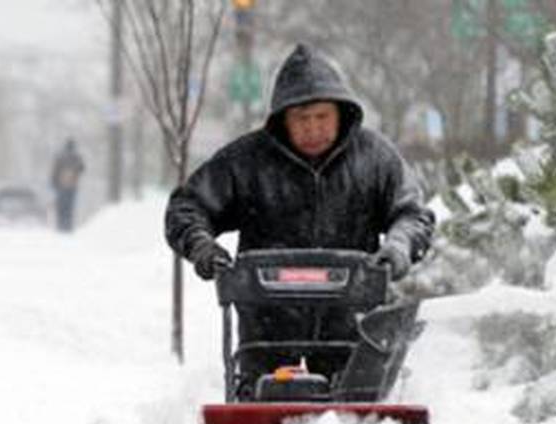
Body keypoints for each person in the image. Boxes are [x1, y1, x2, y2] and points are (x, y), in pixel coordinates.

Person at [164, 43, 435, 387]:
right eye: (301, 119)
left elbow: (412, 213)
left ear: (340, 113)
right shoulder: (247, 161)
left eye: (322, 117)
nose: (313, 128)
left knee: (358, 417)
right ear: (283, 121)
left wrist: (398, 247)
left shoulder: (376, 159)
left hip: (354, 328)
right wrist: (202, 247)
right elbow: (187, 208)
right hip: (266, 332)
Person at [49, 138, 85, 232]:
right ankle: (68, 225)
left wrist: (53, 183)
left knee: (61, 207)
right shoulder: (76, 157)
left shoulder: (60, 156)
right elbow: (82, 168)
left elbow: (54, 171)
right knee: (69, 207)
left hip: (61, 186)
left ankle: (61, 225)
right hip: (72, 186)